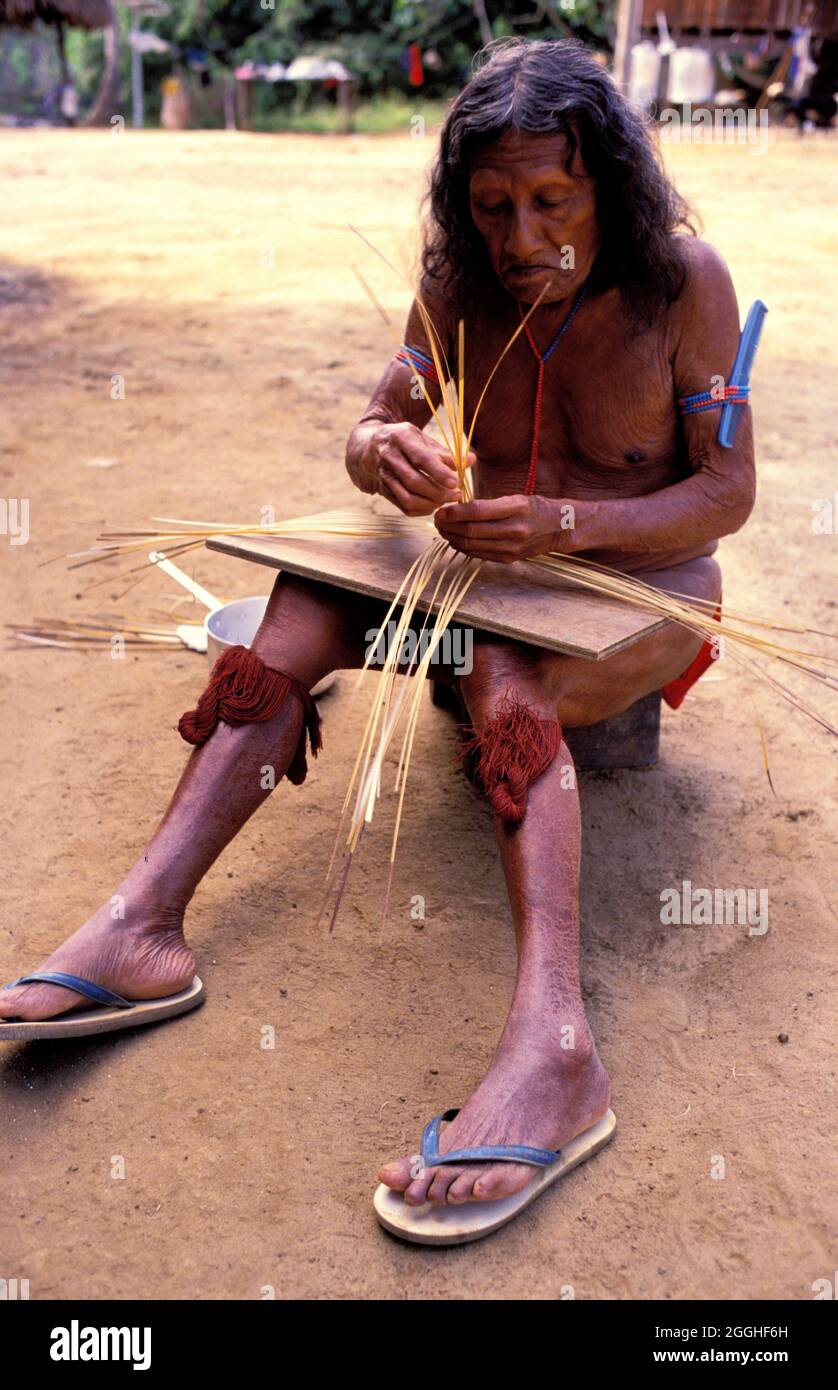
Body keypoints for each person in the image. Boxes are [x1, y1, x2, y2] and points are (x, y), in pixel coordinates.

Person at [1, 39, 754, 1230]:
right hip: (480, 578)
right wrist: (375, 447)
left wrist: (567, 519)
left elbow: (726, 496)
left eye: (550, 201)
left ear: (611, 181)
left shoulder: (681, 284)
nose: (517, 238)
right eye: (491, 203)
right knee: (298, 607)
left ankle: (557, 1050)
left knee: (507, 674)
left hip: (634, 592)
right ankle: (143, 924)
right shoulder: (461, 282)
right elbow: (379, 409)